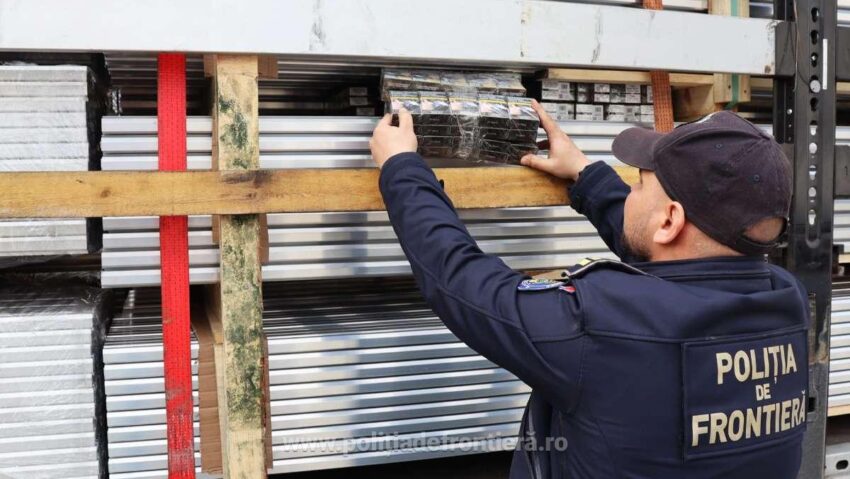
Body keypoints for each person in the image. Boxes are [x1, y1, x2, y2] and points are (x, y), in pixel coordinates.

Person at [369, 102, 808, 479]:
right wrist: (584, 173)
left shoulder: (598, 323)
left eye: (639, 184)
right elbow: (673, 250)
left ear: (670, 219)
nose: (631, 190)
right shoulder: (786, 303)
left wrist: (401, 166)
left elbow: (459, 278)